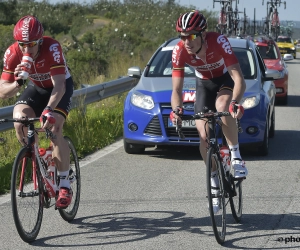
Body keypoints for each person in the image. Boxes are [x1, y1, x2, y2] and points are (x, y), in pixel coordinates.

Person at [170, 11, 248, 213]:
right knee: (203, 137)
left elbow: (239, 79)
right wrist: (176, 110)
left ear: (203, 34)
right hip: (203, 84)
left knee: (223, 107)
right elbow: (176, 90)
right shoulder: (179, 51)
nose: (187, 41)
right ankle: (214, 185)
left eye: (192, 36)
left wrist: (236, 103)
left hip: (225, 80)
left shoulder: (219, 41)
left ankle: (236, 156)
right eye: (182, 36)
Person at [0, 15, 74, 209]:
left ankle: (64, 185)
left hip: (59, 88)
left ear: (40, 41)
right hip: (36, 88)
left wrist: (49, 109)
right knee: (19, 121)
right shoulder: (12, 53)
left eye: (31, 44)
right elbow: (2, 92)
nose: (26, 49)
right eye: (22, 44)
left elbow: (59, 85)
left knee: (54, 127)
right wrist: (18, 82)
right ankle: (38, 156)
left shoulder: (52, 47)